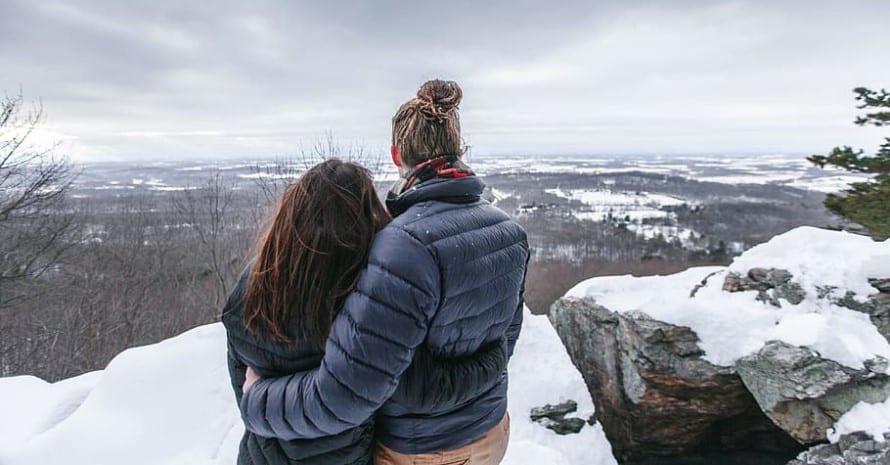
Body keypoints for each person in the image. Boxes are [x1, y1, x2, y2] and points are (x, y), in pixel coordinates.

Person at [239, 80, 530, 465]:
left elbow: (346, 393)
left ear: (396, 154)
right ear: (458, 149)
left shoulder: (401, 248)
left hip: (420, 451)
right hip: (492, 431)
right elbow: (503, 342)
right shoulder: (510, 233)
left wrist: (256, 400)